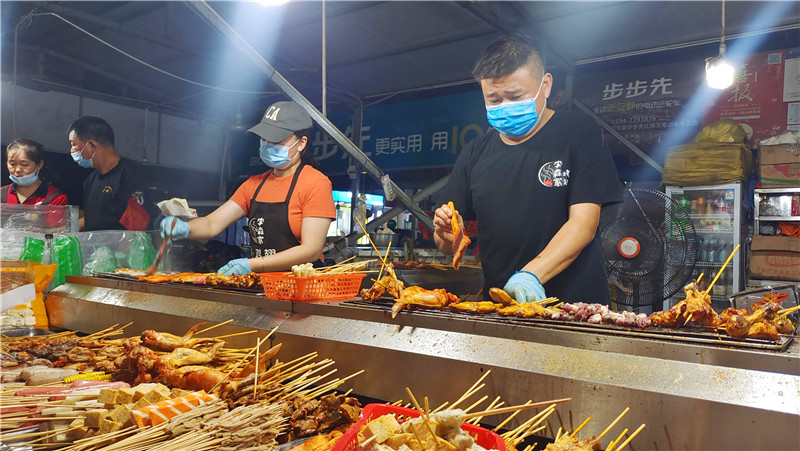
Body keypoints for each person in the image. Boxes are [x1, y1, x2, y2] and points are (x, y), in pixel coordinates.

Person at [434, 35, 621, 304]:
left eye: (515, 96)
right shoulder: (475, 152)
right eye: (494, 99)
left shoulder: (579, 132)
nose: (504, 106)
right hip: (501, 307)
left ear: (546, 85)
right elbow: (447, 243)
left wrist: (530, 275)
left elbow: (583, 223)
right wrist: (446, 236)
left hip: (575, 308)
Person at [160, 101, 335, 275]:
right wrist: (185, 228)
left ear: (301, 143)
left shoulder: (315, 183)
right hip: (261, 283)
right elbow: (212, 224)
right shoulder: (253, 185)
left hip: (301, 285)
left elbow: (311, 250)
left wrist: (254, 264)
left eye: (277, 139)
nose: (268, 144)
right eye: (265, 138)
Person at [68, 116, 151, 231]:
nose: (72, 150)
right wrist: (59, 231)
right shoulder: (91, 180)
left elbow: (138, 223)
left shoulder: (131, 173)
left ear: (91, 146)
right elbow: (91, 220)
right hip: (95, 243)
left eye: (73, 144)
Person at [2, 138, 69, 205]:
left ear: (39, 164)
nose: (17, 170)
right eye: (12, 164)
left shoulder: (56, 198)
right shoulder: (2, 194)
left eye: (24, 164)